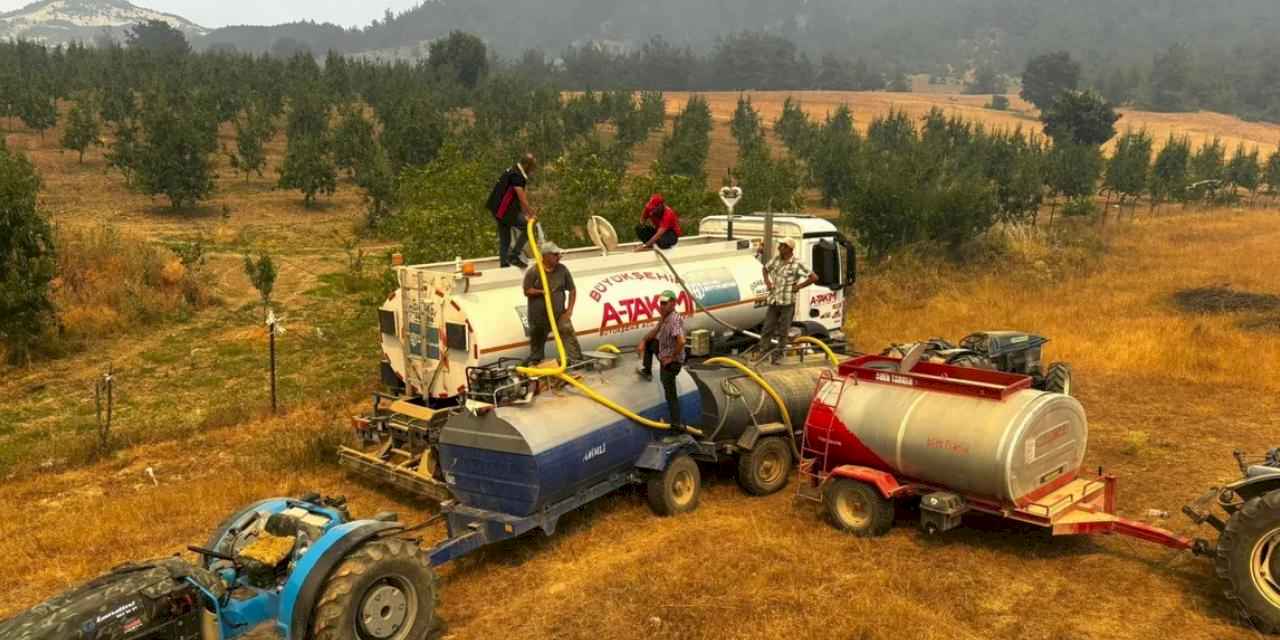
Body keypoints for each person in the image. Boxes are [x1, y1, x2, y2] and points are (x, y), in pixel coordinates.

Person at [756, 237, 817, 361]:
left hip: (787, 302)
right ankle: (763, 352)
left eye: (782, 246)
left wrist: (799, 286)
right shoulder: (776, 260)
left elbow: (814, 277)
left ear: (789, 248)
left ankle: (778, 356)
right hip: (774, 300)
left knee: (783, 331)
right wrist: (767, 281)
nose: (779, 248)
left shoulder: (797, 263)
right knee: (767, 327)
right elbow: (765, 269)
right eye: (779, 246)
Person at [524, 241, 583, 365]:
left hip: (559, 314)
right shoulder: (534, 271)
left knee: (567, 331)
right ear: (546, 256)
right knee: (537, 340)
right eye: (556, 254)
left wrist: (569, 310)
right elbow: (527, 290)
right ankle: (536, 364)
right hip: (538, 316)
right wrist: (542, 291)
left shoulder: (562, 269)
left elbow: (572, 290)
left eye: (559, 254)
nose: (559, 256)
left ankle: (576, 360)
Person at [636, 290, 687, 432]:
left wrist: (671, 358)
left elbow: (681, 342)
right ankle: (647, 370)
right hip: (664, 353)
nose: (661, 306)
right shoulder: (664, 317)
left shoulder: (674, 320)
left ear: (673, 303)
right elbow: (654, 331)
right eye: (661, 303)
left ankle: (676, 425)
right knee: (651, 343)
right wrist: (643, 341)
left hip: (671, 363)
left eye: (665, 303)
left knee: (670, 394)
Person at [487, 153, 538, 269]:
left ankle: (504, 264)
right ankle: (514, 255)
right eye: (532, 167)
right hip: (504, 210)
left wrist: (525, 212)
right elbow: (521, 197)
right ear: (526, 165)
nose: (533, 170)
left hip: (496, 208)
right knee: (529, 227)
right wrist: (531, 214)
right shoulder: (517, 176)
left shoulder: (512, 170)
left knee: (505, 237)